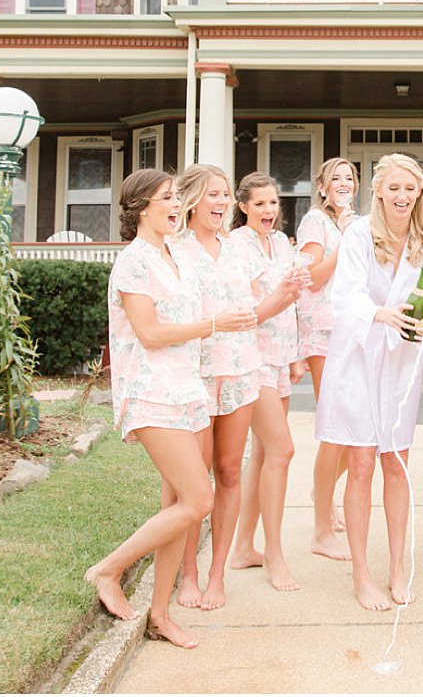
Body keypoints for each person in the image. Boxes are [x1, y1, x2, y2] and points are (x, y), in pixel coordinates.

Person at [84, 168, 256, 646]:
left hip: (186, 391)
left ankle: (159, 614)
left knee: (183, 505)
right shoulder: (133, 263)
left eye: (178, 197)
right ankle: (108, 569)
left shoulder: (173, 255)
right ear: (142, 208)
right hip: (150, 394)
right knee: (199, 499)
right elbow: (151, 334)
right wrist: (213, 325)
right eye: (167, 199)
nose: (177, 205)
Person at [314, 152, 423, 611]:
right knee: (361, 465)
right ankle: (361, 574)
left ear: (420, 193)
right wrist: (379, 314)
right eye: (394, 188)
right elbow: (344, 294)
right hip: (358, 359)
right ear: (377, 190)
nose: (403, 196)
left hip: (400, 366)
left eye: (410, 189)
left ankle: (396, 569)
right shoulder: (358, 234)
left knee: (397, 464)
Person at [170, 164, 261, 610]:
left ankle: (216, 574)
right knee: (192, 481)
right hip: (193, 375)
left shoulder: (240, 249)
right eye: (213, 195)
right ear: (190, 200)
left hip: (239, 371)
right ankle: (186, 572)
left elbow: (258, 305)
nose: (222, 203)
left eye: (225, 195)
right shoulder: (173, 250)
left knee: (228, 472)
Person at [224, 173, 310, 593]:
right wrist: (287, 291)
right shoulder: (236, 248)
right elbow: (254, 311)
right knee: (282, 450)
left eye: (274, 203)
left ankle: (244, 547)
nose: (269, 211)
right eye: (260, 204)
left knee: (263, 454)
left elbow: (290, 304)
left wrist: (294, 356)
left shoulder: (281, 243)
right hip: (250, 358)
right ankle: (274, 554)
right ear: (244, 207)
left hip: (278, 359)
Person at [299, 157, 360, 562]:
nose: (342, 183)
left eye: (349, 178)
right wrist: (345, 239)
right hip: (323, 332)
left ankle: (322, 492)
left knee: (351, 425)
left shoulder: (359, 223)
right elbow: (314, 277)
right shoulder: (315, 223)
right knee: (336, 424)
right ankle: (322, 528)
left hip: (355, 329)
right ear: (322, 188)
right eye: (335, 178)